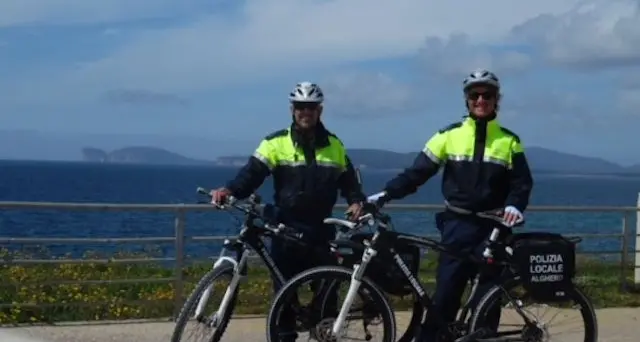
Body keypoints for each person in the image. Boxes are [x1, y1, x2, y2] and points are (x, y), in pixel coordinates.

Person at [371, 69, 534, 341]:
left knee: (487, 303)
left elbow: (522, 183)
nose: (481, 100)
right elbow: (417, 174)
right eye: (475, 95)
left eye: (487, 95)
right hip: (458, 227)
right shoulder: (448, 135)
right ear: (466, 100)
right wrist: (385, 194)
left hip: (494, 229)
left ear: (497, 100)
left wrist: (516, 206)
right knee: (444, 297)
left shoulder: (509, 141)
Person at [210, 81, 367, 340]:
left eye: (311, 107)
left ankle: (324, 334)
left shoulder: (334, 145)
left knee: (327, 293)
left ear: (320, 110)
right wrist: (229, 190)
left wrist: (356, 200)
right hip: (285, 228)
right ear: (292, 110)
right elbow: (251, 175)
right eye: (300, 107)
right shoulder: (275, 143)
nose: (306, 112)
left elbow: (349, 181)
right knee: (283, 295)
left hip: (320, 229)